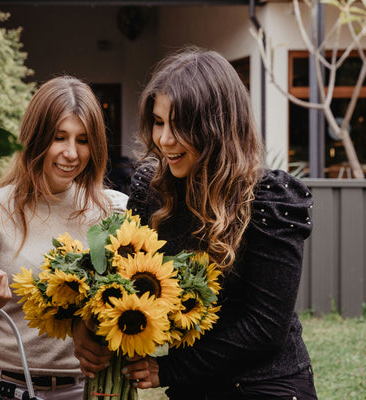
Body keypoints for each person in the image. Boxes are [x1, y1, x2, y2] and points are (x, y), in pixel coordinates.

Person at [73, 47, 318, 399]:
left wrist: (169, 369)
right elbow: (129, 283)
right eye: (159, 122)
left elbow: (265, 328)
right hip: (193, 388)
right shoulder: (151, 190)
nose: (165, 139)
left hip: (264, 385)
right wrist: (89, 326)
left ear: (218, 126)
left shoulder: (269, 198)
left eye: (181, 125)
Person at [0, 75, 128, 400]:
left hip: (85, 390)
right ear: (36, 137)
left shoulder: (111, 212)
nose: (72, 153)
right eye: (59, 137)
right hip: (3, 388)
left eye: (83, 140)